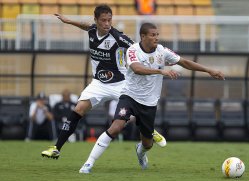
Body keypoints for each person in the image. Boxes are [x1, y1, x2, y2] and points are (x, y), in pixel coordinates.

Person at [78, 22, 225, 173]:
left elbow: (184, 62)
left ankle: (140, 151)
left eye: (157, 35)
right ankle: (89, 163)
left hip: (149, 103)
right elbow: (137, 69)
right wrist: (161, 71)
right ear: (143, 36)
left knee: (148, 143)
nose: (156, 38)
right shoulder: (133, 50)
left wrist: (209, 70)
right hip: (129, 96)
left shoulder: (162, 51)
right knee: (116, 127)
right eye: (153, 35)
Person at [41, 4, 166, 159]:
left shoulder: (118, 38)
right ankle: (56, 148)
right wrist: (68, 21)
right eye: (103, 20)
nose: (107, 24)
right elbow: (86, 26)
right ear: (96, 20)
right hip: (99, 84)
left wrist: (152, 62)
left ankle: (150, 131)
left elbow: (137, 48)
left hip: (121, 84)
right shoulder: (92, 31)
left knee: (134, 112)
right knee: (78, 109)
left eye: (109, 20)